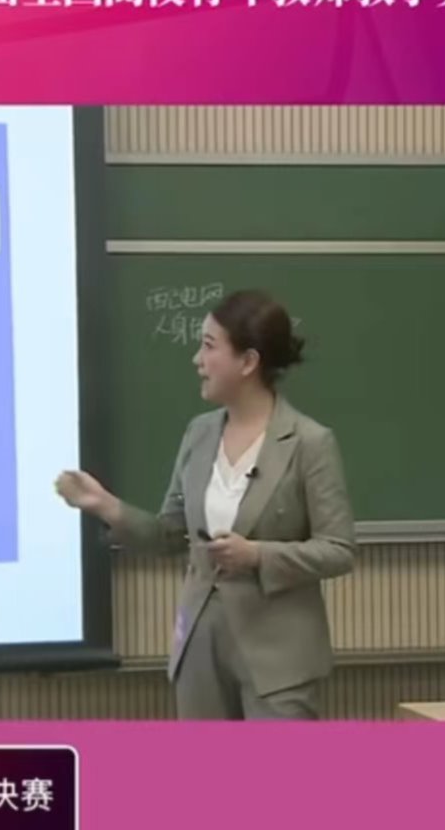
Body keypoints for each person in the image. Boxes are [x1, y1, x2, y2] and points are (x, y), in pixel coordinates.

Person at [56, 289, 356, 720]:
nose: (197, 359)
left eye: (210, 346)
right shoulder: (199, 433)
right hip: (200, 646)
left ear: (248, 362)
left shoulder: (309, 442)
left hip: (278, 658)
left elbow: (338, 550)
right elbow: (169, 534)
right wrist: (104, 504)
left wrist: (257, 555)